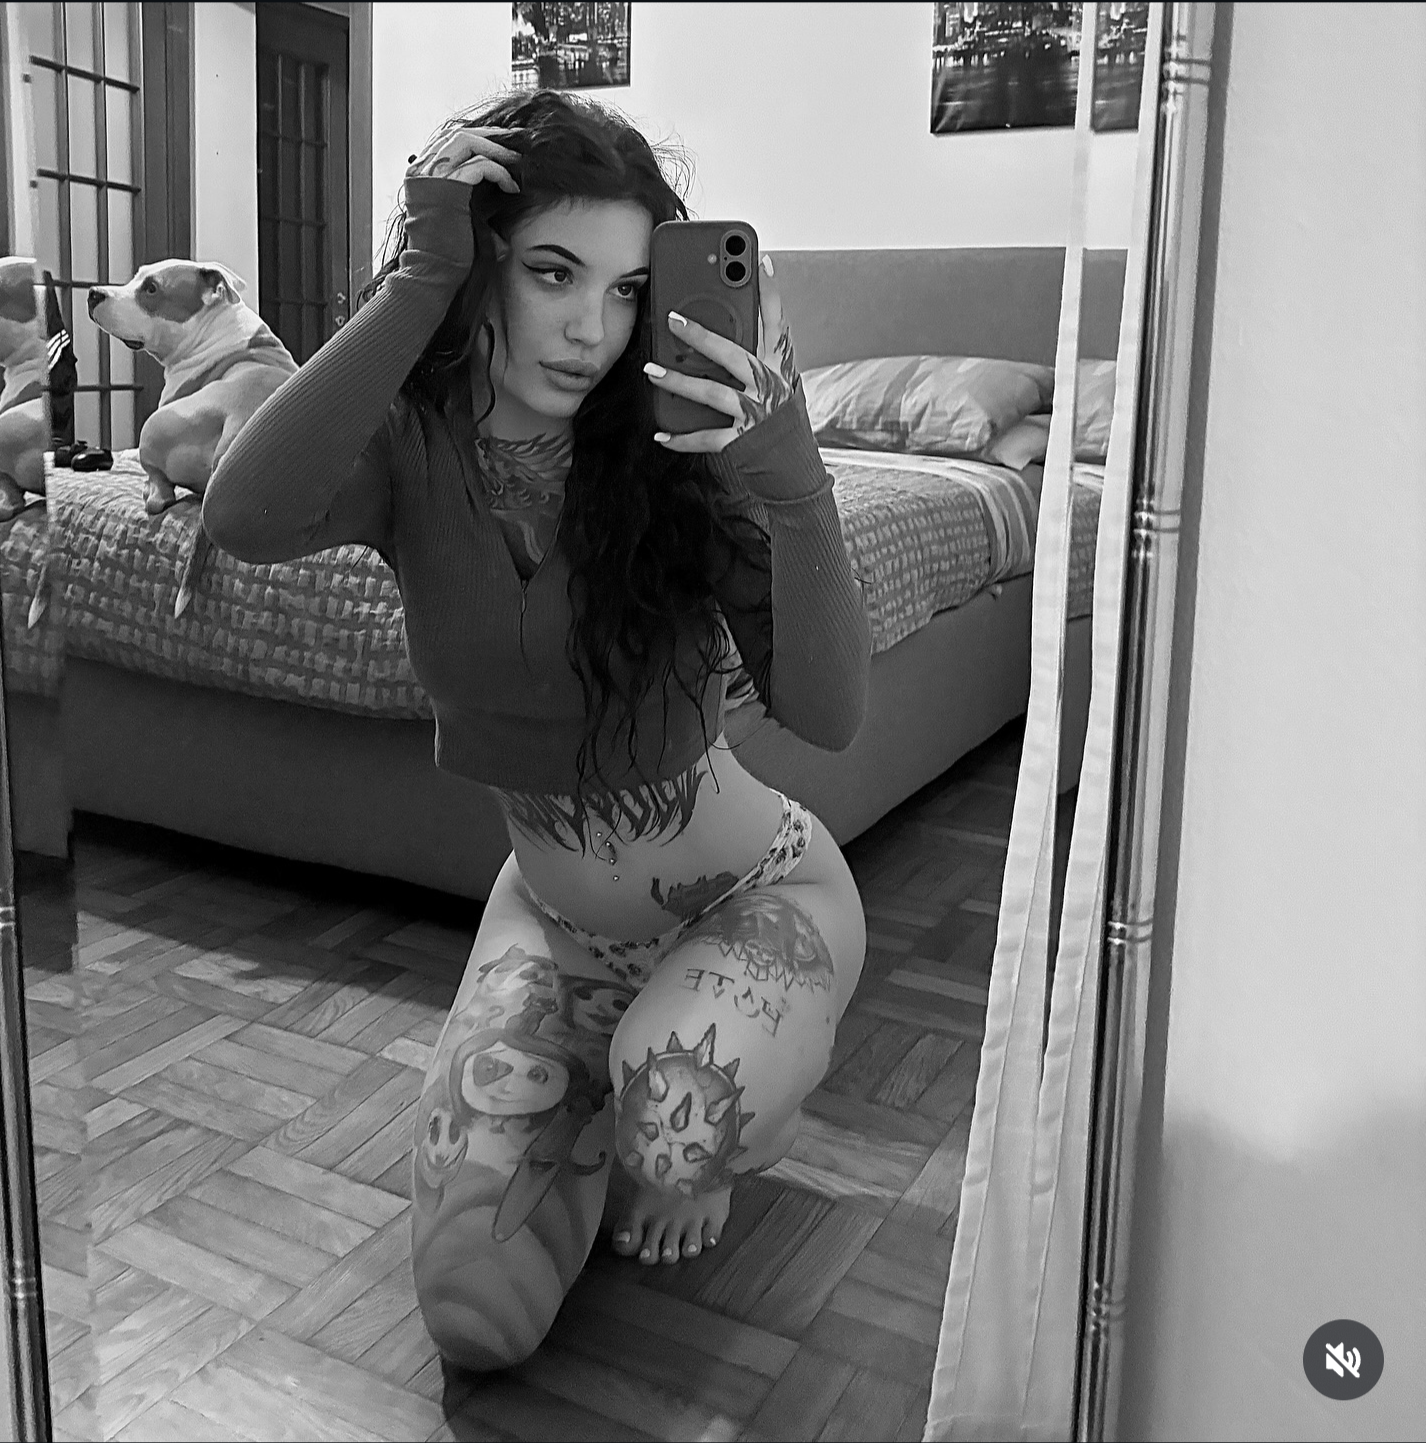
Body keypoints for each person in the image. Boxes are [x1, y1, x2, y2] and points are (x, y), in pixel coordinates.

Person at [203, 88, 871, 1371]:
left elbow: (830, 717)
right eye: (553, 273)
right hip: (555, 932)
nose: (590, 329)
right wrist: (417, 280)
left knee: (676, 1124)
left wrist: (792, 476)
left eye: (628, 291)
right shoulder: (409, 447)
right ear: (483, 265)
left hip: (753, 896)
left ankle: (711, 1116)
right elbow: (243, 517)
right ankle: (628, 1080)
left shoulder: (686, 457)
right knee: (478, 1322)